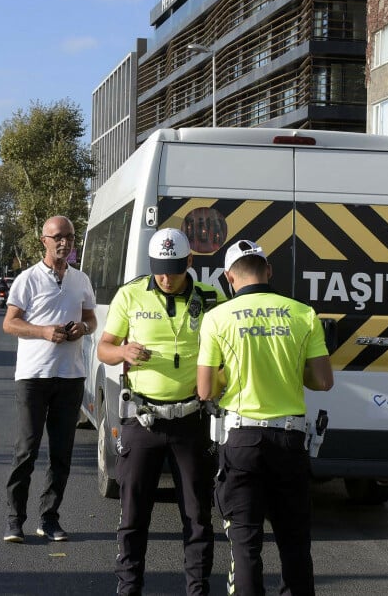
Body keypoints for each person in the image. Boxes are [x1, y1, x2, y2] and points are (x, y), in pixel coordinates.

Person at [196, 240, 334, 596]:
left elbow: (206, 390)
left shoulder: (217, 318)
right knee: (294, 542)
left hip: (241, 440)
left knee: (245, 543)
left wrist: (230, 377)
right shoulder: (303, 314)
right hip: (289, 440)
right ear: (268, 270)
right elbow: (323, 380)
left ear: (229, 278)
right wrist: (288, 372)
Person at [98, 228, 223, 596]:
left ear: (189, 262)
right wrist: (122, 352)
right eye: (158, 269)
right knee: (133, 515)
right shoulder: (131, 294)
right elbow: (105, 347)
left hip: (191, 421)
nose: (165, 278)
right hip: (142, 419)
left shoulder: (211, 298)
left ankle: (197, 589)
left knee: (198, 517)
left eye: (172, 269)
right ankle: (128, 587)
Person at [1, 215, 97, 544]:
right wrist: (43, 331)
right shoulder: (27, 279)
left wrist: (82, 329)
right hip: (33, 376)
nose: (65, 243)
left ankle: (49, 518)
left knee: (61, 453)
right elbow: (10, 324)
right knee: (26, 450)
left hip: (70, 377)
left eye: (69, 237)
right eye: (58, 237)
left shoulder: (81, 279)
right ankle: (15, 520)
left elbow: (91, 318)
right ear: (43, 240)